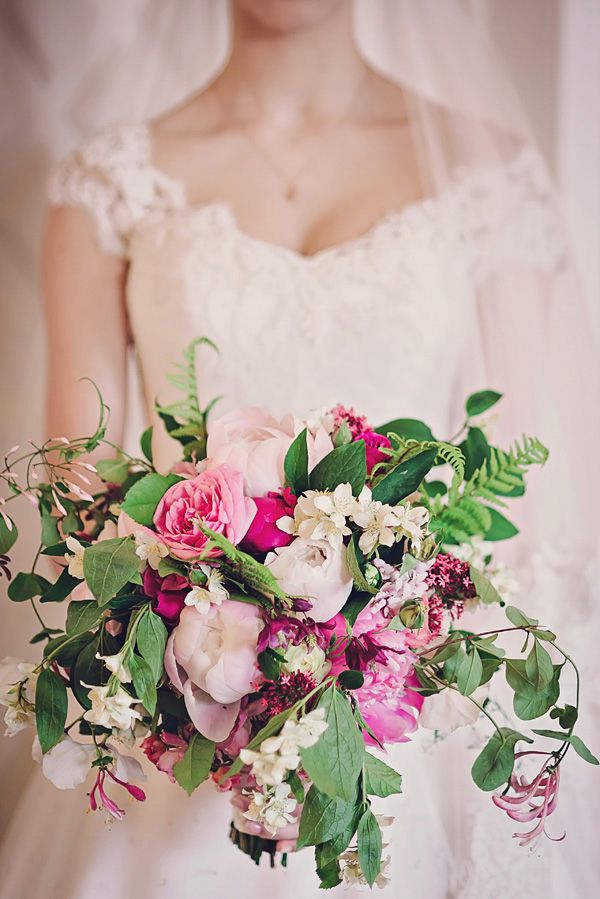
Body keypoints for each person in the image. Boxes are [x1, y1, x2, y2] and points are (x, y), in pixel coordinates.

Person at [0, 1, 597, 897]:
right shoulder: (106, 186)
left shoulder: (488, 171)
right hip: (183, 717)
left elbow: (523, 508)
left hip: (415, 727)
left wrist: (382, 656)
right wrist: (210, 669)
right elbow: (79, 513)